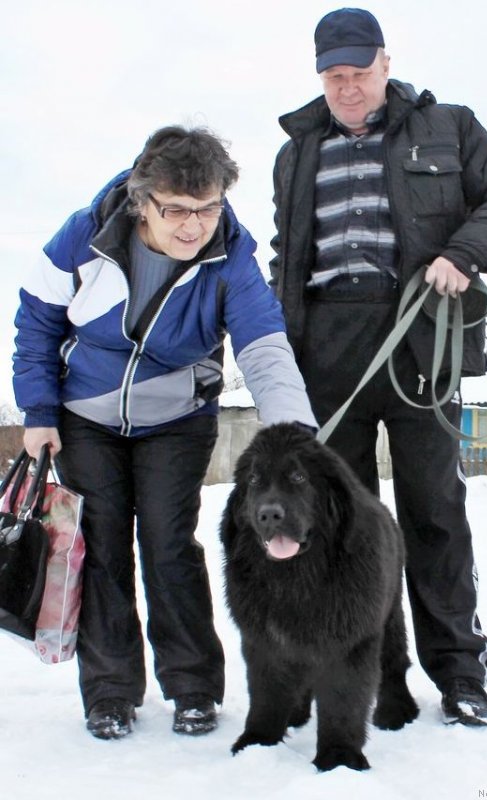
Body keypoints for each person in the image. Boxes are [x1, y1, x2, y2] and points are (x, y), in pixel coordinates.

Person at [12, 125, 318, 740]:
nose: (193, 226)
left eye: (207, 208)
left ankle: (193, 687)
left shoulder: (231, 256)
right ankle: (110, 692)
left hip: (178, 420)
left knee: (168, 544)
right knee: (100, 549)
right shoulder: (83, 237)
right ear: (141, 201)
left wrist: (293, 431)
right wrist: (39, 412)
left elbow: (263, 344)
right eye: (176, 210)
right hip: (86, 417)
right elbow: (37, 322)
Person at [269, 8, 487, 726]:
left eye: (359, 72)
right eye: (333, 76)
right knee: (338, 523)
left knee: (433, 512)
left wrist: (463, 254)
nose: (347, 87)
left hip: (418, 334)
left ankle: (460, 671)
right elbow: (288, 254)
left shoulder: (449, 126)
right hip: (326, 347)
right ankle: (361, 673)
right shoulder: (295, 151)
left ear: (386, 62)